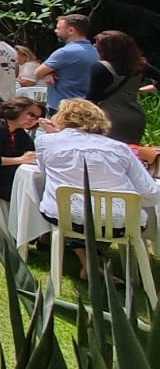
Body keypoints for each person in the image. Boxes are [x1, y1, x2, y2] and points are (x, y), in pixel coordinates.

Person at [36, 98, 160, 278]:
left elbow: (44, 172)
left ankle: (86, 261)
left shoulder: (46, 142)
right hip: (121, 223)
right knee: (122, 214)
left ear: (61, 118)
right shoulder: (120, 148)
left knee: (61, 204)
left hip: (66, 217)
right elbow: (149, 191)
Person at [88, 30, 150, 144]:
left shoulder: (101, 67)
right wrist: (139, 90)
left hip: (108, 117)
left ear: (107, 48)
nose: (94, 45)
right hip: (135, 117)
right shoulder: (140, 65)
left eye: (97, 43)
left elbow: (93, 98)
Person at [36, 13, 99, 112]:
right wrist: (50, 72)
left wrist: (48, 72)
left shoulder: (65, 52)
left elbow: (38, 72)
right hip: (85, 106)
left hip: (62, 107)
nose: (55, 31)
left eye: (59, 28)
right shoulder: (95, 51)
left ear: (71, 30)